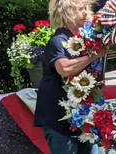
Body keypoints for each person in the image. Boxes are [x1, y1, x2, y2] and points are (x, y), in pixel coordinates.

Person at [34, 0, 107, 153]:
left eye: (87, 8)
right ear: (65, 13)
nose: (86, 12)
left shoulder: (87, 38)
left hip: (86, 118)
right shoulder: (58, 41)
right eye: (80, 9)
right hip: (59, 120)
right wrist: (94, 55)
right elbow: (65, 68)